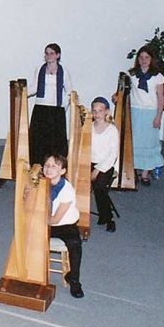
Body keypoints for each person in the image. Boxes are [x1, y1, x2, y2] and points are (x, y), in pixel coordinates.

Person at [42, 153, 84, 298]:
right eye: (46, 165)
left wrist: (37, 220)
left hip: (64, 225)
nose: (49, 169)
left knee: (75, 243)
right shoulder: (40, 183)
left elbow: (54, 220)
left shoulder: (67, 190)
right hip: (45, 221)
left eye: (54, 166)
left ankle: (74, 280)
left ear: (62, 171)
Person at [28, 43, 72, 165]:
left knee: (55, 142)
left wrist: (62, 108)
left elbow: (69, 92)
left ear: (58, 55)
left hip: (56, 110)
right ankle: (36, 167)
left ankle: (56, 167)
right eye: (46, 53)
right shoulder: (39, 69)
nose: (49, 56)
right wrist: (22, 92)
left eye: (52, 53)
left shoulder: (64, 71)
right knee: (38, 141)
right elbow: (34, 88)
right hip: (40, 109)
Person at [127, 45, 164, 185]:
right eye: (141, 57)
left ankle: (145, 174)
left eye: (146, 57)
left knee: (149, 142)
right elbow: (124, 90)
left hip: (150, 113)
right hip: (135, 111)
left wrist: (158, 117)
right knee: (135, 142)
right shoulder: (132, 74)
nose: (143, 60)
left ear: (151, 59)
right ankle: (133, 171)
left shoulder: (158, 77)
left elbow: (161, 98)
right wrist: (116, 96)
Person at [90, 97, 119, 233]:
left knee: (100, 187)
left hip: (106, 165)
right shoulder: (88, 127)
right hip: (90, 162)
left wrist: (97, 170)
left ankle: (108, 218)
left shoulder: (112, 130)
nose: (97, 114)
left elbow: (112, 155)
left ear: (106, 111)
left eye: (100, 111)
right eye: (94, 111)